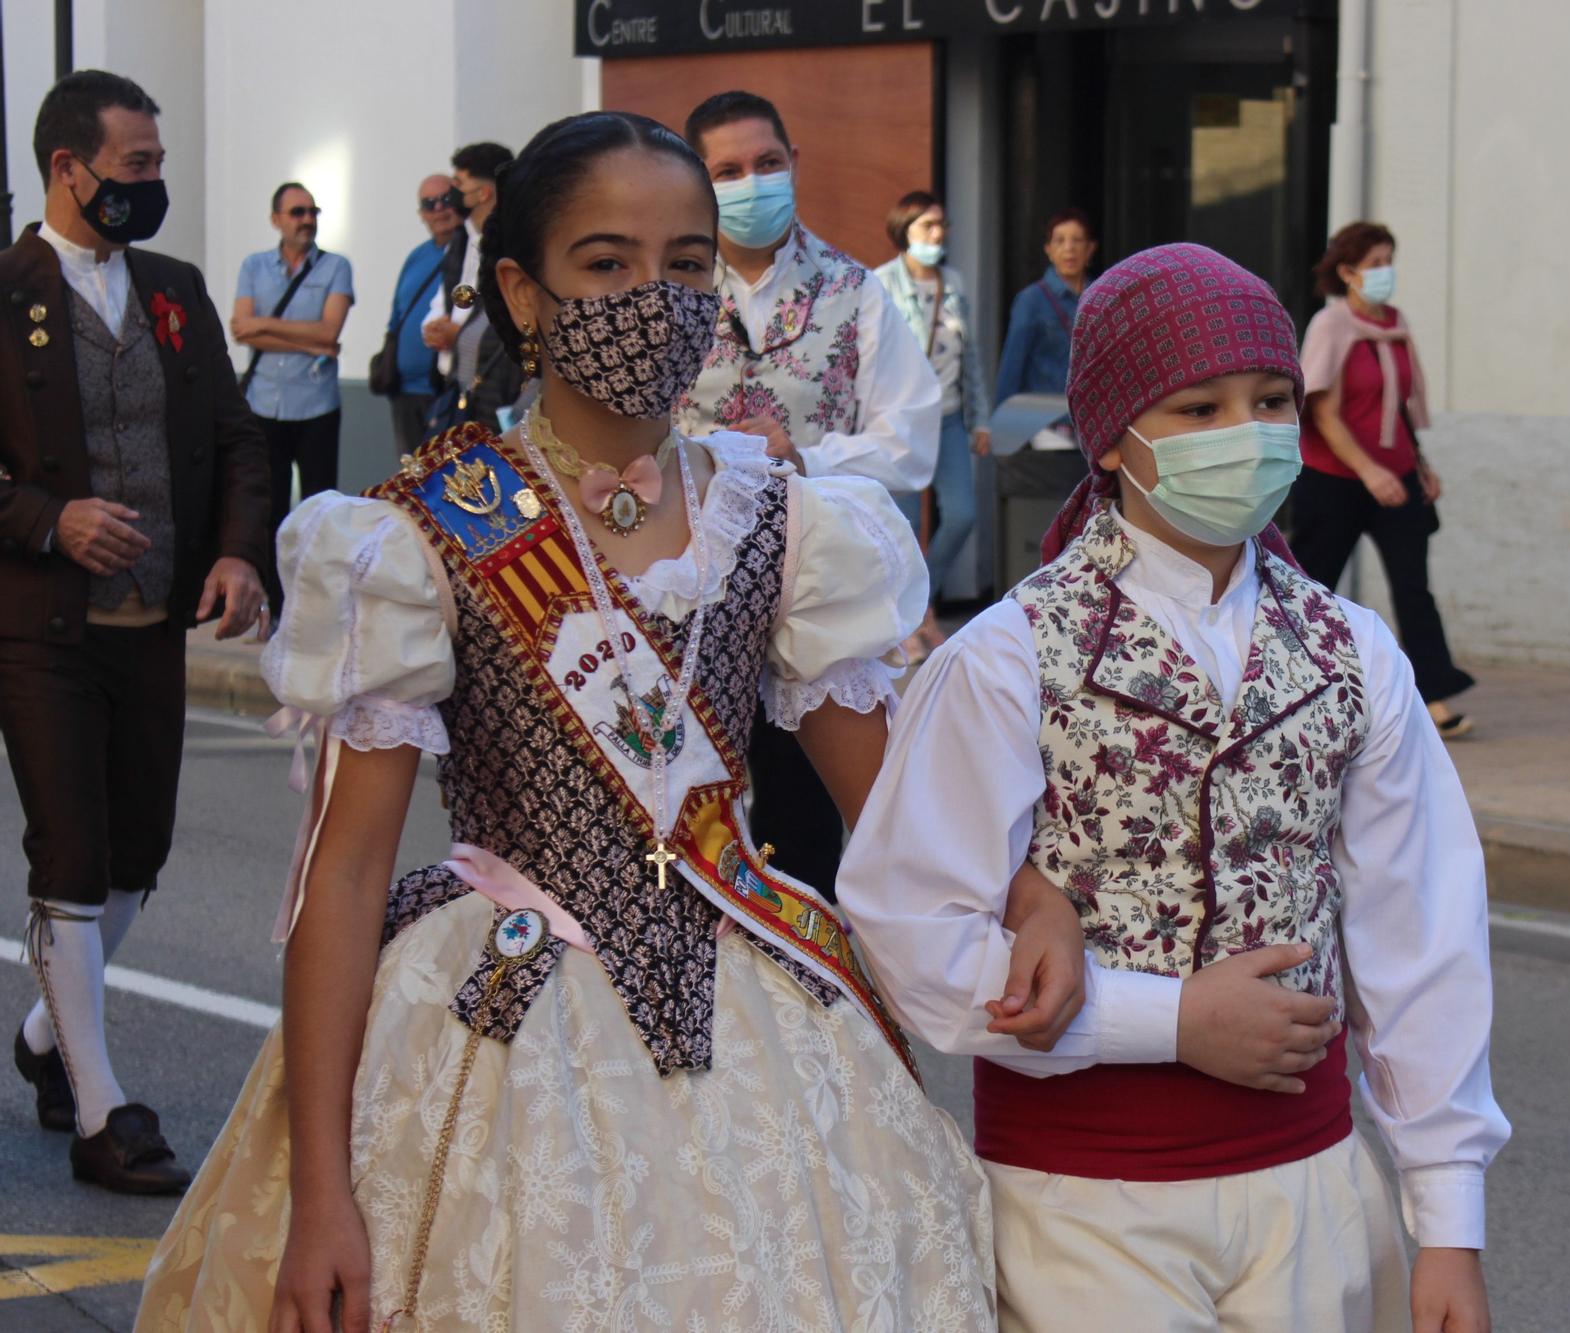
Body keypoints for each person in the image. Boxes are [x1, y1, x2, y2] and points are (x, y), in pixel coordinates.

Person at [137, 109, 996, 1330]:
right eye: (607, 264)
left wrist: (1043, 906)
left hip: (759, 1008)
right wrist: (322, 1191)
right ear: (522, 295)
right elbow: (342, 880)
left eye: (686, 265)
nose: (654, 298)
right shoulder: (419, 529)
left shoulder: (787, 519)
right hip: (500, 1025)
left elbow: (904, 822)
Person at [840, 244, 1509, 1333]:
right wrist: (1163, 1020)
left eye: (1269, 401)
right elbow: (911, 925)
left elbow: (1422, 934)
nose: (1242, 435)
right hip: (1084, 1210)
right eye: (1196, 408)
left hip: (1317, 1204)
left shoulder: (1351, 651)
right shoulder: (1009, 656)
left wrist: (1447, 1220)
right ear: (1111, 438)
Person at [1, 69, 268, 1195]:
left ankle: (45, 1036)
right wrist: (49, 517)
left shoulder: (173, 286)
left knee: (136, 863)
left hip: (154, 622)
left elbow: (238, 437)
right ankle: (107, 1116)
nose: (153, 185)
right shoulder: (5, 290)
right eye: (137, 167)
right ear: (70, 168)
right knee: (68, 849)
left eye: (156, 164)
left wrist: (238, 550)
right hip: (39, 627)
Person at [676, 91, 940, 896]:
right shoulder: (672, 286)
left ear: (795, 165)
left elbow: (911, 438)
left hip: (808, 589)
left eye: (766, 164)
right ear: (697, 180)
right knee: (684, 797)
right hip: (686, 582)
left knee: (803, 812)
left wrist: (813, 457)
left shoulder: (856, 291)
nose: (751, 181)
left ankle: (807, 976)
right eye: (727, 170)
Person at [1292, 221, 1477, 738]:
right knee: (1309, 586)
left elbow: (1396, 407)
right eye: (1374, 264)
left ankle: (1433, 695)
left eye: (1388, 260)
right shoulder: (1331, 326)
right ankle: (1287, 682)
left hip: (1396, 474)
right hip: (1335, 478)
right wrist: (1368, 471)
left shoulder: (1395, 323)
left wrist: (1419, 464)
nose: (1384, 272)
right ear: (1347, 272)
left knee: (1414, 587)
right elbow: (1324, 410)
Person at [873, 190, 990, 659]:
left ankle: (921, 606)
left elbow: (971, 356)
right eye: (927, 226)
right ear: (905, 231)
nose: (937, 234)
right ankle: (908, 624)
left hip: (948, 421)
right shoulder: (879, 283)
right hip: (901, 422)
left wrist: (979, 418)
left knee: (961, 515)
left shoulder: (954, 282)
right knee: (899, 526)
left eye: (941, 225)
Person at [232, 181, 352, 615]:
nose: (307, 220)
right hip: (265, 403)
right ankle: (275, 607)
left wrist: (266, 328)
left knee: (322, 510)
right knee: (269, 509)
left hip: (316, 404)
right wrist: (310, 342)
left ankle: (323, 607)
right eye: (297, 212)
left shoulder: (336, 267)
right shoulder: (254, 266)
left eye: (312, 211)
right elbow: (240, 328)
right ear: (276, 220)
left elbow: (329, 332)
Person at [419, 141, 520, 433]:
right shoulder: (462, 239)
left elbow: (506, 313)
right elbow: (446, 295)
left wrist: (460, 334)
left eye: (459, 184)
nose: (453, 192)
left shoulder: (510, 242)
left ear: (483, 193)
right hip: (455, 381)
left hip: (493, 387)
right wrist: (435, 326)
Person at [382, 173, 463, 456]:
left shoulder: (471, 252)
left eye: (446, 199)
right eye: (430, 204)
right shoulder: (416, 256)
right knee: (411, 481)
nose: (439, 209)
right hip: (405, 393)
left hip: (445, 391)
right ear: (422, 214)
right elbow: (396, 316)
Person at [993, 207, 1096, 418]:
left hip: (1093, 418)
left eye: (1077, 240)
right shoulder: (1031, 300)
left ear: (1090, 248)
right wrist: (1002, 422)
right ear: (1048, 249)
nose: (1069, 248)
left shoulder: (1101, 298)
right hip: (1045, 420)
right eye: (1060, 241)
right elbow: (1013, 364)